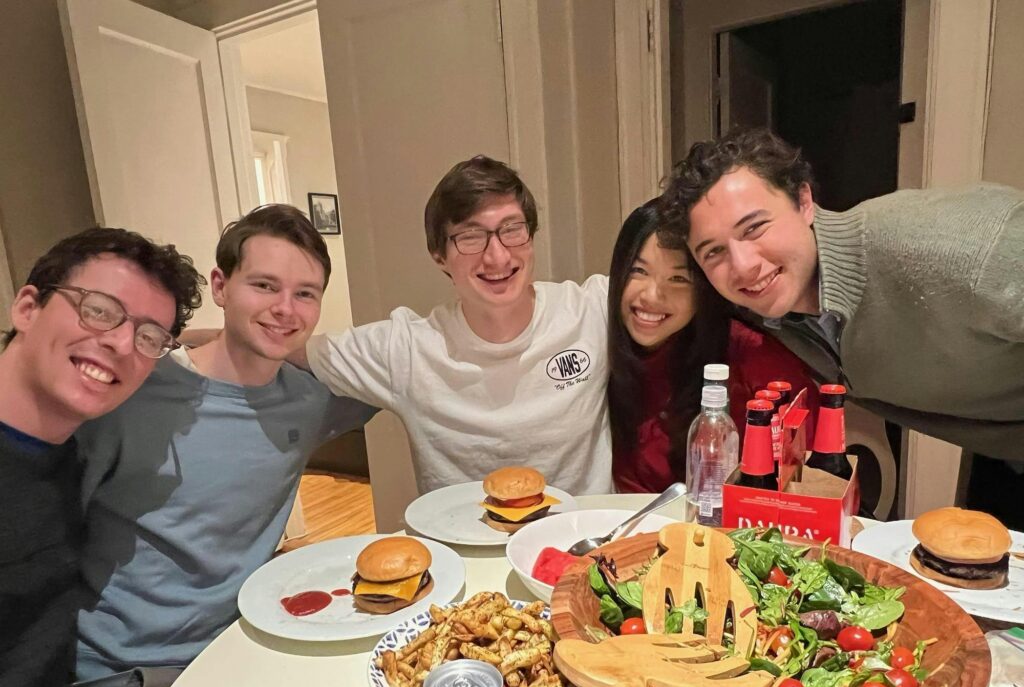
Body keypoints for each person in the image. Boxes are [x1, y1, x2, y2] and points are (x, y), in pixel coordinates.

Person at [71, 205, 377, 687]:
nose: (286, 309)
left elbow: (406, 375)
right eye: (264, 285)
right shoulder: (128, 397)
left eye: (305, 294)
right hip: (126, 680)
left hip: (247, 649)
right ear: (220, 284)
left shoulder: (309, 400)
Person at [659, 128, 1024, 467]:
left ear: (804, 202)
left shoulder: (956, 249)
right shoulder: (764, 314)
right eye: (713, 252)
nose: (743, 266)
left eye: (755, 227)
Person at [0, 227, 203, 687]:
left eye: (148, 336)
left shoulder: (73, 455)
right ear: (27, 307)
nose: (118, 342)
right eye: (99, 310)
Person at [305, 156, 612, 494]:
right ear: (439, 256)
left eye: (512, 230)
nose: (498, 257)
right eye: (470, 237)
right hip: (463, 544)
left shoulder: (592, 309)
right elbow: (286, 345)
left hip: (586, 540)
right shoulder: (409, 348)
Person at [608, 200, 818, 493]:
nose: (652, 296)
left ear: (705, 290)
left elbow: (807, 484)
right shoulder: (605, 349)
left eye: (679, 278)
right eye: (638, 271)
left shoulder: (755, 361)